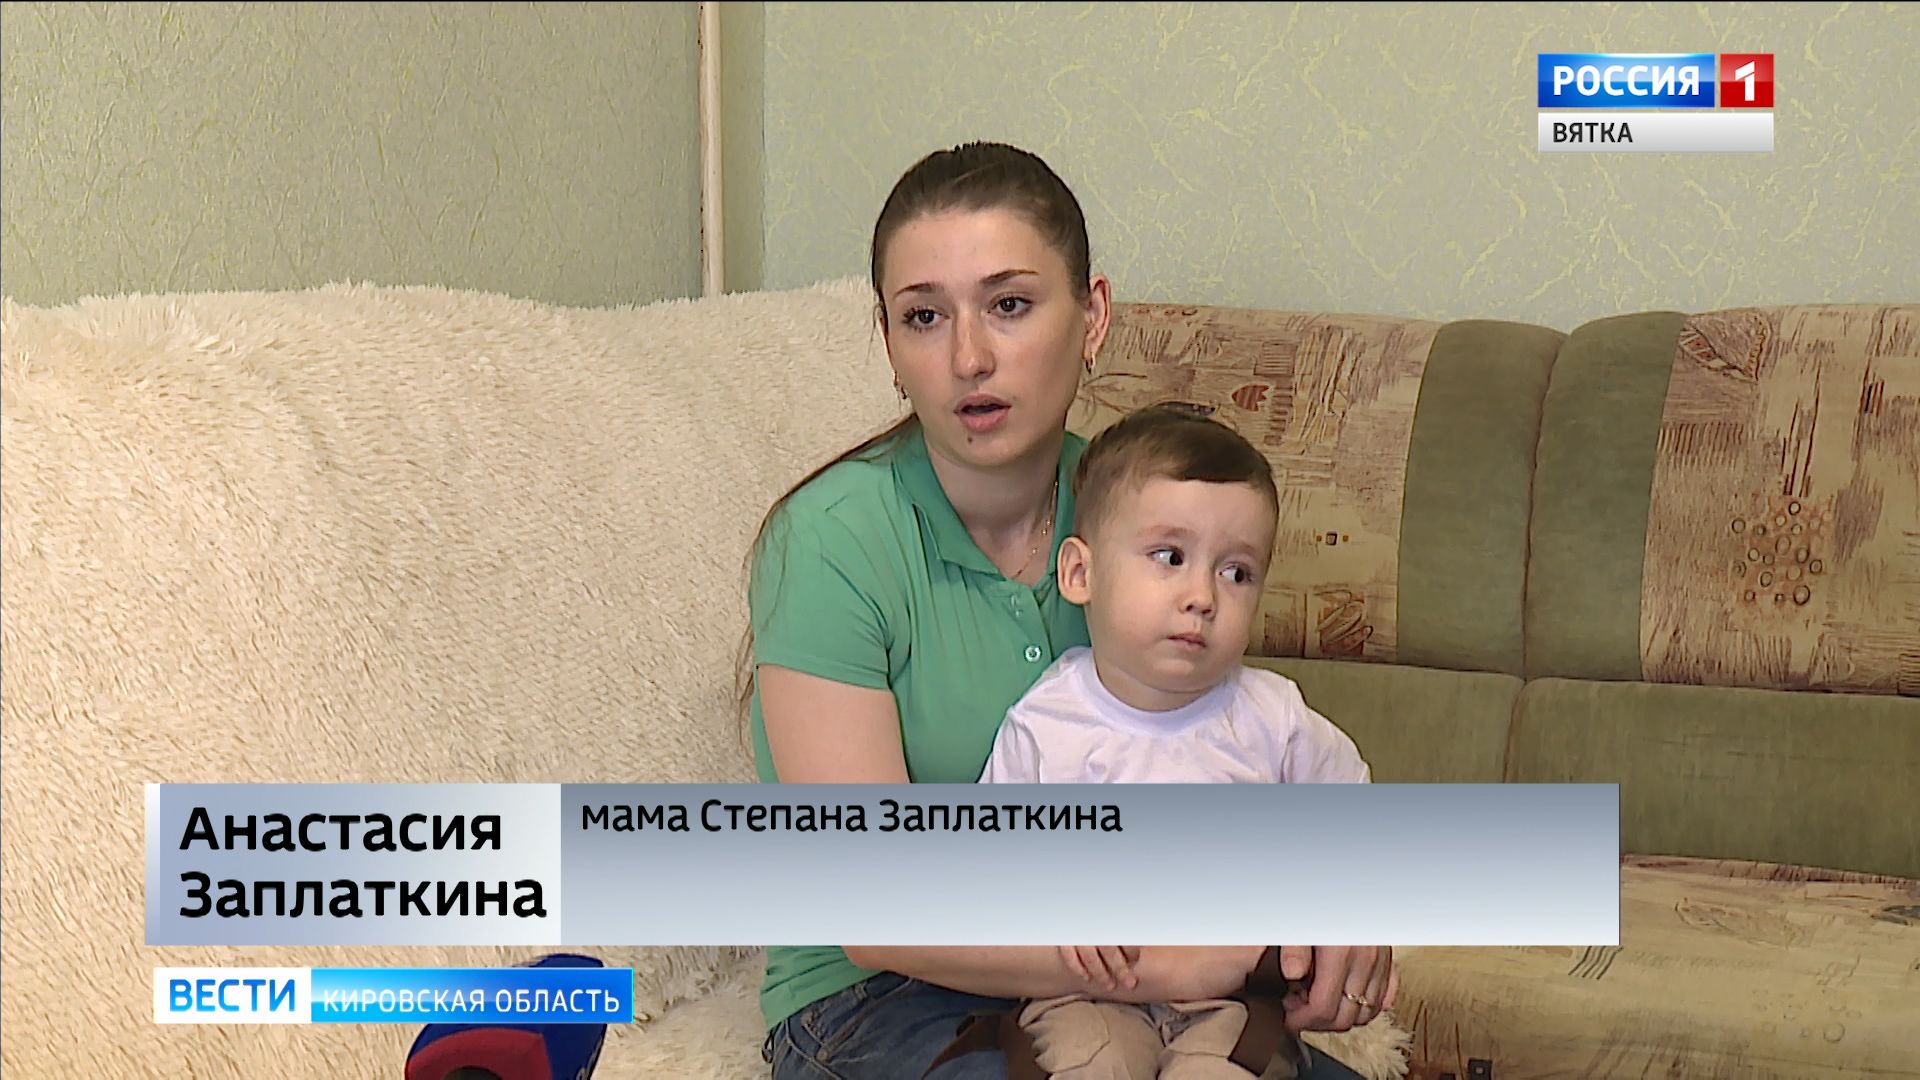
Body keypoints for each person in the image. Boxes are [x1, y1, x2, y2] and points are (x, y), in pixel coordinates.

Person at [741, 141, 1396, 1080]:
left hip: (1152, 997)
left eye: (1009, 305)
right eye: (924, 316)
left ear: (1093, 317)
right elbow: (874, 916)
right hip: (877, 999)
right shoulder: (830, 541)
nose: (969, 357)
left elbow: (1257, 756)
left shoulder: (1151, 517)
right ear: (887, 343)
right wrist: (1187, 961)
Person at [968, 403, 1377, 1079]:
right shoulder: (1045, 724)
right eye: (1171, 557)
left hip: (1231, 997)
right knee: (1088, 1066)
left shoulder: (1272, 718)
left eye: (1236, 572)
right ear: (1080, 574)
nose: (1203, 596)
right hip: (1087, 991)